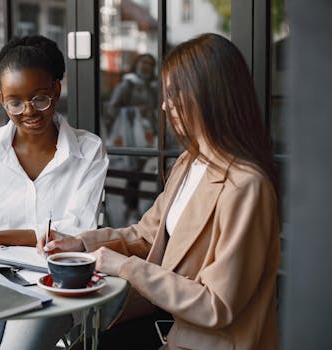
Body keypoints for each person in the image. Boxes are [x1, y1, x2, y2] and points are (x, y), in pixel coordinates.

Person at [42, 33, 280, 349]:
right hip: (168, 325)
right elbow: (146, 235)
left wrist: (124, 267)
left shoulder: (247, 186)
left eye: (173, 93)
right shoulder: (188, 163)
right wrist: (80, 244)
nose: (165, 105)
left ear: (207, 96)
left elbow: (216, 305)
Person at [0, 35, 108, 350]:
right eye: (15, 102)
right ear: (2, 99)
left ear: (56, 90)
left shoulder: (89, 150)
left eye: (39, 98)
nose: (28, 111)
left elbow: (73, 235)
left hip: (55, 285)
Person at [105, 54, 159, 224]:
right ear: (137, 63)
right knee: (133, 173)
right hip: (131, 136)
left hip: (146, 135)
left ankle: (132, 208)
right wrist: (135, 111)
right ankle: (131, 208)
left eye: (150, 64)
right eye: (144, 62)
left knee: (138, 173)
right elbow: (112, 108)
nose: (146, 67)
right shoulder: (128, 84)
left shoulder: (153, 85)